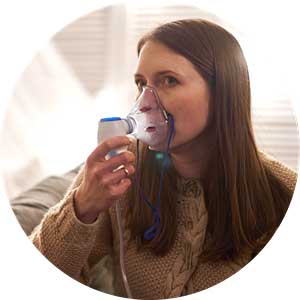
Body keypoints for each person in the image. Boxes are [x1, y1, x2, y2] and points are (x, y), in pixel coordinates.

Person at [30, 19, 297, 299]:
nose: (144, 103)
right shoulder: (119, 170)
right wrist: (82, 208)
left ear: (223, 93)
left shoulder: (285, 194)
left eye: (169, 80)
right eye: (141, 83)